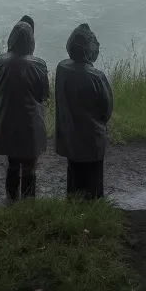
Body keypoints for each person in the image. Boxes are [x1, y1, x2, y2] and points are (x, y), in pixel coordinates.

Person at [0, 19, 49, 202]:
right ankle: (28, 205)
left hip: (6, 120)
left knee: (13, 163)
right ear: (31, 41)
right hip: (31, 123)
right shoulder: (38, 64)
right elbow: (43, 95)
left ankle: (11, 201)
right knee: (30, 165)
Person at [55, 23, 113, 200]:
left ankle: (73, 207)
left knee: (73, 176)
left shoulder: (62, 68)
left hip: (70, 135)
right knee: (93, 182)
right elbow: (107, 109)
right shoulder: (97, 76)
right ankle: (92, 210)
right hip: (92, 138)